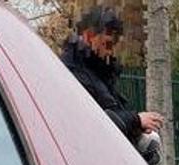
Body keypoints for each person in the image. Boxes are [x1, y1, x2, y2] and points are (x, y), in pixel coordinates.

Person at [60, 7, 163, 152]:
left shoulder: (99, 72)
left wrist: (136, 127)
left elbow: (112, 112)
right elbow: (94, 124)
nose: (113, 49)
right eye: (109, 41)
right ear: (90, 36)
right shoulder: (73, 74)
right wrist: (136, 120)